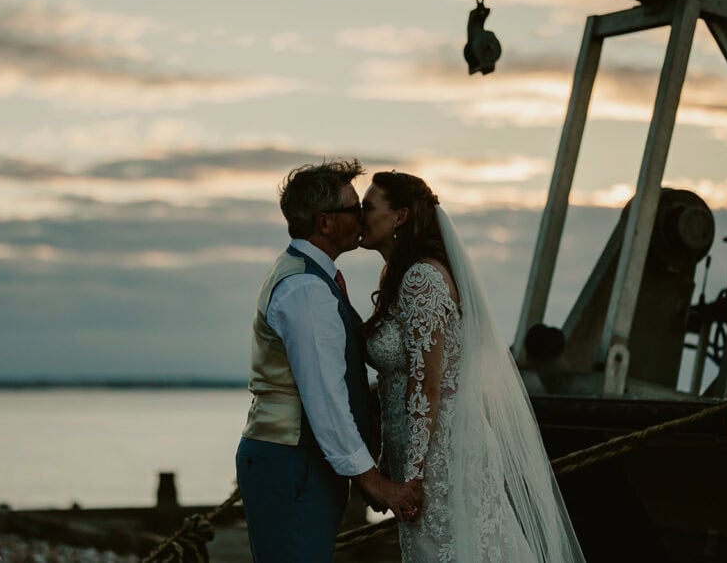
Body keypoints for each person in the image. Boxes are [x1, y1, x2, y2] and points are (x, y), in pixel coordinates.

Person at [360, 171, 584, 562]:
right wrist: (386, 466)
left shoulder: (421, 280)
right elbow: (394, 382)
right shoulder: (400, 278)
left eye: (367, 207)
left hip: (439, 459)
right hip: (419, 453)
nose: (360, 216)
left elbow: (426, 385)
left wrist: (410, 477)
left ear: (399, 216)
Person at [236, 159, 421, 563]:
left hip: (300, 459)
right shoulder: (305, 288)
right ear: (324, 222)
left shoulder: (312, 277)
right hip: (293, 460)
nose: (362, 216)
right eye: (354, 208)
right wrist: (374, 482)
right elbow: (324, 398)